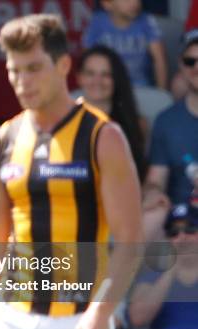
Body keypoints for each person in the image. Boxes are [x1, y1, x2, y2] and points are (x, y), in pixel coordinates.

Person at [0, 14, 142, 329]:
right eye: (15, 71)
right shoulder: (4, 139)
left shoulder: (103, 136)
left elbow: (131, 243)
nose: (23, 81)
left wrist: (101, 313)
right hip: (16, 318)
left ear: (63, 66)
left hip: (80, 317)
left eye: (33, 69)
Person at [143, 29, 198, 240]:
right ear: (181, 66)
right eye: (190, 61)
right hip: (180, 221)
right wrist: (153, 192)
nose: (197, 67)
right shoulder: (166, 121)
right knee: (152, 212)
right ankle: (120, 273)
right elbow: (156, 178)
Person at [77, 45, 147, 182]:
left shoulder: (139, 124)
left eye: (106, 74)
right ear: (79, 78)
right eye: (90, 73)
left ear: (116, 79)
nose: (97, 81)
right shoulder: (65, 119)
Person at [129, 203, 198, 329]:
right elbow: (138, 318)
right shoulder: (153, 275)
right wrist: (171, 270)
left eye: (190, 229)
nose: (182, 237)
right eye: (174, 233)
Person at [82, 0, 167, 89]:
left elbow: (159, 60)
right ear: (107, 4)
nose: (135, 3)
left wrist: (161, 94)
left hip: (141, 87)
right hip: (107, 87)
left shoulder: (147, 22)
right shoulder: (97, 23)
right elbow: (86, 60)